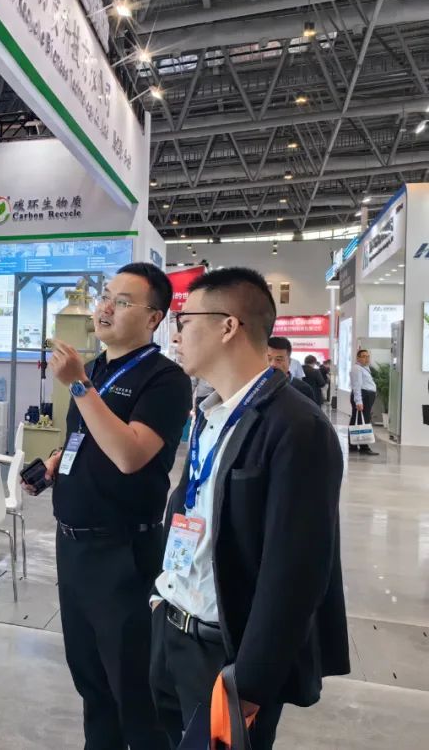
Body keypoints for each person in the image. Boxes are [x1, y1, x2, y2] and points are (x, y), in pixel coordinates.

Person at [151, 267, 348, 750]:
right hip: (172, 631)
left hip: (226, 655)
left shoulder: (297, 426)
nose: (176, 334)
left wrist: (251, 683)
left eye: (184, 320)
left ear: (228, 326)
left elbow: (297, 572)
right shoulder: (209, 413)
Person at [22, 262, 192, 750]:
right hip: (72, 548)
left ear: (154, 317)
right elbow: (87, 438)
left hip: (122, 553)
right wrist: (56, 463)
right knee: (91, 684)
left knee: (135, 691)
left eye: (122, 301)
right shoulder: (96, 368)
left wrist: (79, 386)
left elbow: (130, 454)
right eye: (105, 297)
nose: (105, 308)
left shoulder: (165, 379)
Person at [266, 337, 316, 403]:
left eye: (279, 359)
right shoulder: (257, 387)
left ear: (289, 361)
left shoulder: (303, 389)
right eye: (268, 359)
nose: (273, 364)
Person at [350, 348, 379, 456]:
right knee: (364, 421)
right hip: (363, 396)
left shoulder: (365, 368)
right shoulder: (357, 368)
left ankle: (353, 444)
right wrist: (359, 401)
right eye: (363, 356)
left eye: (368, 356)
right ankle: (364, 446)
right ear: (358, 358)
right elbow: (356, 385)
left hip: (366, 396)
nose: (366, 358)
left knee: (358, 420)